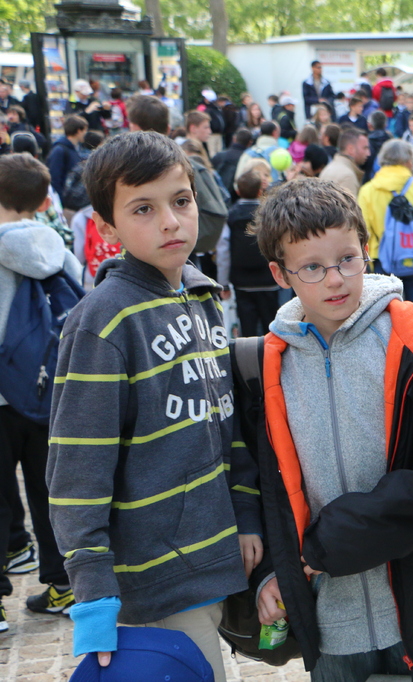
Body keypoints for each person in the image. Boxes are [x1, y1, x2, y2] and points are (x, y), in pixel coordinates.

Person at [239, 177, 413, 680]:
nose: (335, 280)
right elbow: (263, 487)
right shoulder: (263, 366)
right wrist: (270, 572)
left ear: (365, 250)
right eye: (312, 267)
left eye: (347, 259)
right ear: (280, 273)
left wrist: (334, 541)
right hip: (328, 619)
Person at [46, 132, 262, 682]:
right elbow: (77, 469)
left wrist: (245, 517)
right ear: (107, 227)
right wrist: (94, 597)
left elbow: (227, 423)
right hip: (155, 580)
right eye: (143, 208)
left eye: (181, 200)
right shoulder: (102, 322)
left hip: (215, 559)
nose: (170, 221)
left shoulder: (202, 295)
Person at [0, 154, 84, 635]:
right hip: (50, 392)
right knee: (51, 492)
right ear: (43, 199)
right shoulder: (57, 245)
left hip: (1, 399)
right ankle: (63, 585)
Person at [357, 139, 413, 304]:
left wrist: (372, 256)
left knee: (386, 313)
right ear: (408, 161)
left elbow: (362, 230)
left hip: (382, 261)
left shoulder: (368, 191)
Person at [221, 170, 277, 336]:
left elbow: (223, 250)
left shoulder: (231, 215)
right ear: (260, 191)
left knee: (247, 329)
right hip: (269, 278)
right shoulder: (268, 214)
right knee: (272, 327)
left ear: (238, 191)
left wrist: (223, 282)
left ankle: (250, 353)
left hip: (242, 281)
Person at [48, 115, 87, 216]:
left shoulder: (74, 149)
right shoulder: (59, 150)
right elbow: (55, 178)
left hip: (72, 204)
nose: (85, 134)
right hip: (65, 206)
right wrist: (60, 204)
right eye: (84, 130)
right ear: (79, 130)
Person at [320, 127, 369, 197]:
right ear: (351, 149)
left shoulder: (330, 167)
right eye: (365, 148)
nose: (368, 153)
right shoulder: (348, 176)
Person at [211, 128, 252, 202]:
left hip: (218, 197)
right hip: (239, 198)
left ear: (234, 139)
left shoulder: (219, 156)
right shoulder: (249, 159)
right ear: (250, 143)